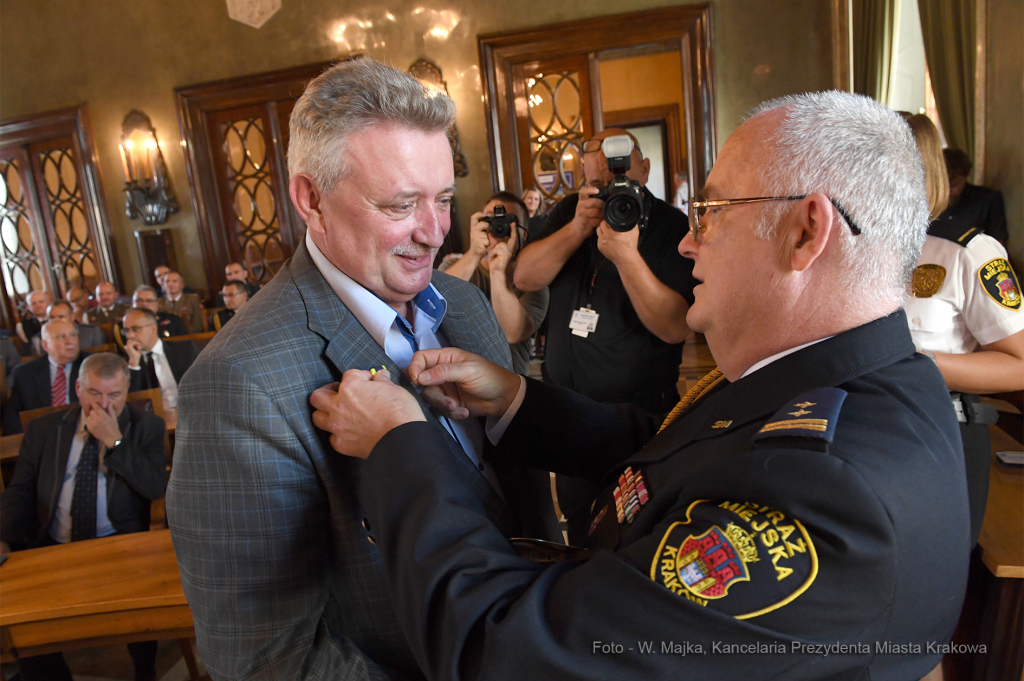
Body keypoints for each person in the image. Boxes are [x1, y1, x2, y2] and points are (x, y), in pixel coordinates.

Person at [311, 91, 970, 680]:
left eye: (711, 213)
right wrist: (515, 399)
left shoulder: (833, 496)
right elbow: (673, 454)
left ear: (806, 232)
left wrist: (401, 443)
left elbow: (506, 650)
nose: (687, 243)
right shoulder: (827, 372)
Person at [165, 57, 553, 680]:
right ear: (311, 199)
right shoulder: (237, 383)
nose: (435, 233)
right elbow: (266, 657)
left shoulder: (466, 303)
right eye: (401, 205)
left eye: (444, 199)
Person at [515, 127, 698, 543]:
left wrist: (626, 256)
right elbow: (525, 276)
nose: (609, 183)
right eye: (595, 171)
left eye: (619, 170)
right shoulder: (571, 212)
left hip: (639, 417)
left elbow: (674, 328)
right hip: (570, 413)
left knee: (637, 526)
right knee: (581, 524)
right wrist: (577, 229)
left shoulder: (672, 226)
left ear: (644, 170)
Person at [0, 352, 167, 681]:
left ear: (127, 391)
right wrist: (2, 536)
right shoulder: (44, 428)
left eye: (114, 394)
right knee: (21, 626)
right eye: (94, 393)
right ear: (78, 389)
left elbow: (154, 486)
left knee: (141, 618)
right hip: (52, 544)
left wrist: (114, 440)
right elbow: (21, 490)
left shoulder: (146, 426)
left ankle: (144, 671)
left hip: (119, 544)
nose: (104, 404)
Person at [904, 115, 1024, 547]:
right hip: (851, 427)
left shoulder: (966, 249)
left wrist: (910, 363)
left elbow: (1018, 364)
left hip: (939, 429)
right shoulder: (838, 246)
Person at [440, 192, 549, 375]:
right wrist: (474, 254)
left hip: (508, 384)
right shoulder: (454, 265)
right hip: (455, 380)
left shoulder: (532, 281)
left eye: (508, 221)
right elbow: (433, 303)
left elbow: (512, 333)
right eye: (491, 219)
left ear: (523, 233)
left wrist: (497, 271)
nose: (499, 227)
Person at [3, 319, 89, 434]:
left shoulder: (93, 366)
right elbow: (11, 417)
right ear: (45, 345)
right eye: (61, 337)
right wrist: (31, 437)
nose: (70, 341)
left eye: (73, 335)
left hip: (84, 432)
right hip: (41, 435)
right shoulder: (24, 373)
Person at [122, 308, 200, 412]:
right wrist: (134, 364)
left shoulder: (185, 349)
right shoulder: (127, 364)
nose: (129, 336)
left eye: (136, 329)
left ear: (153, 328)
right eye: (126, 331)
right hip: (155, 417)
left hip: (192, 411)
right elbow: (135, 403)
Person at [936, 147, 1008, 246]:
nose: (947, 192)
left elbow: (998, 243)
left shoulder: (987, 199)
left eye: (954, 185)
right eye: (942, 185)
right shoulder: (928, 200)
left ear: (966, 176)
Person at [15, 290, 51, 356]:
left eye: (41, 302)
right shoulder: (23, 326)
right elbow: (27, 351)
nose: (38, 306)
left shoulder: (58, 320)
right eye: (33, 303)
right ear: (28, 307)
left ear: (48, 303)